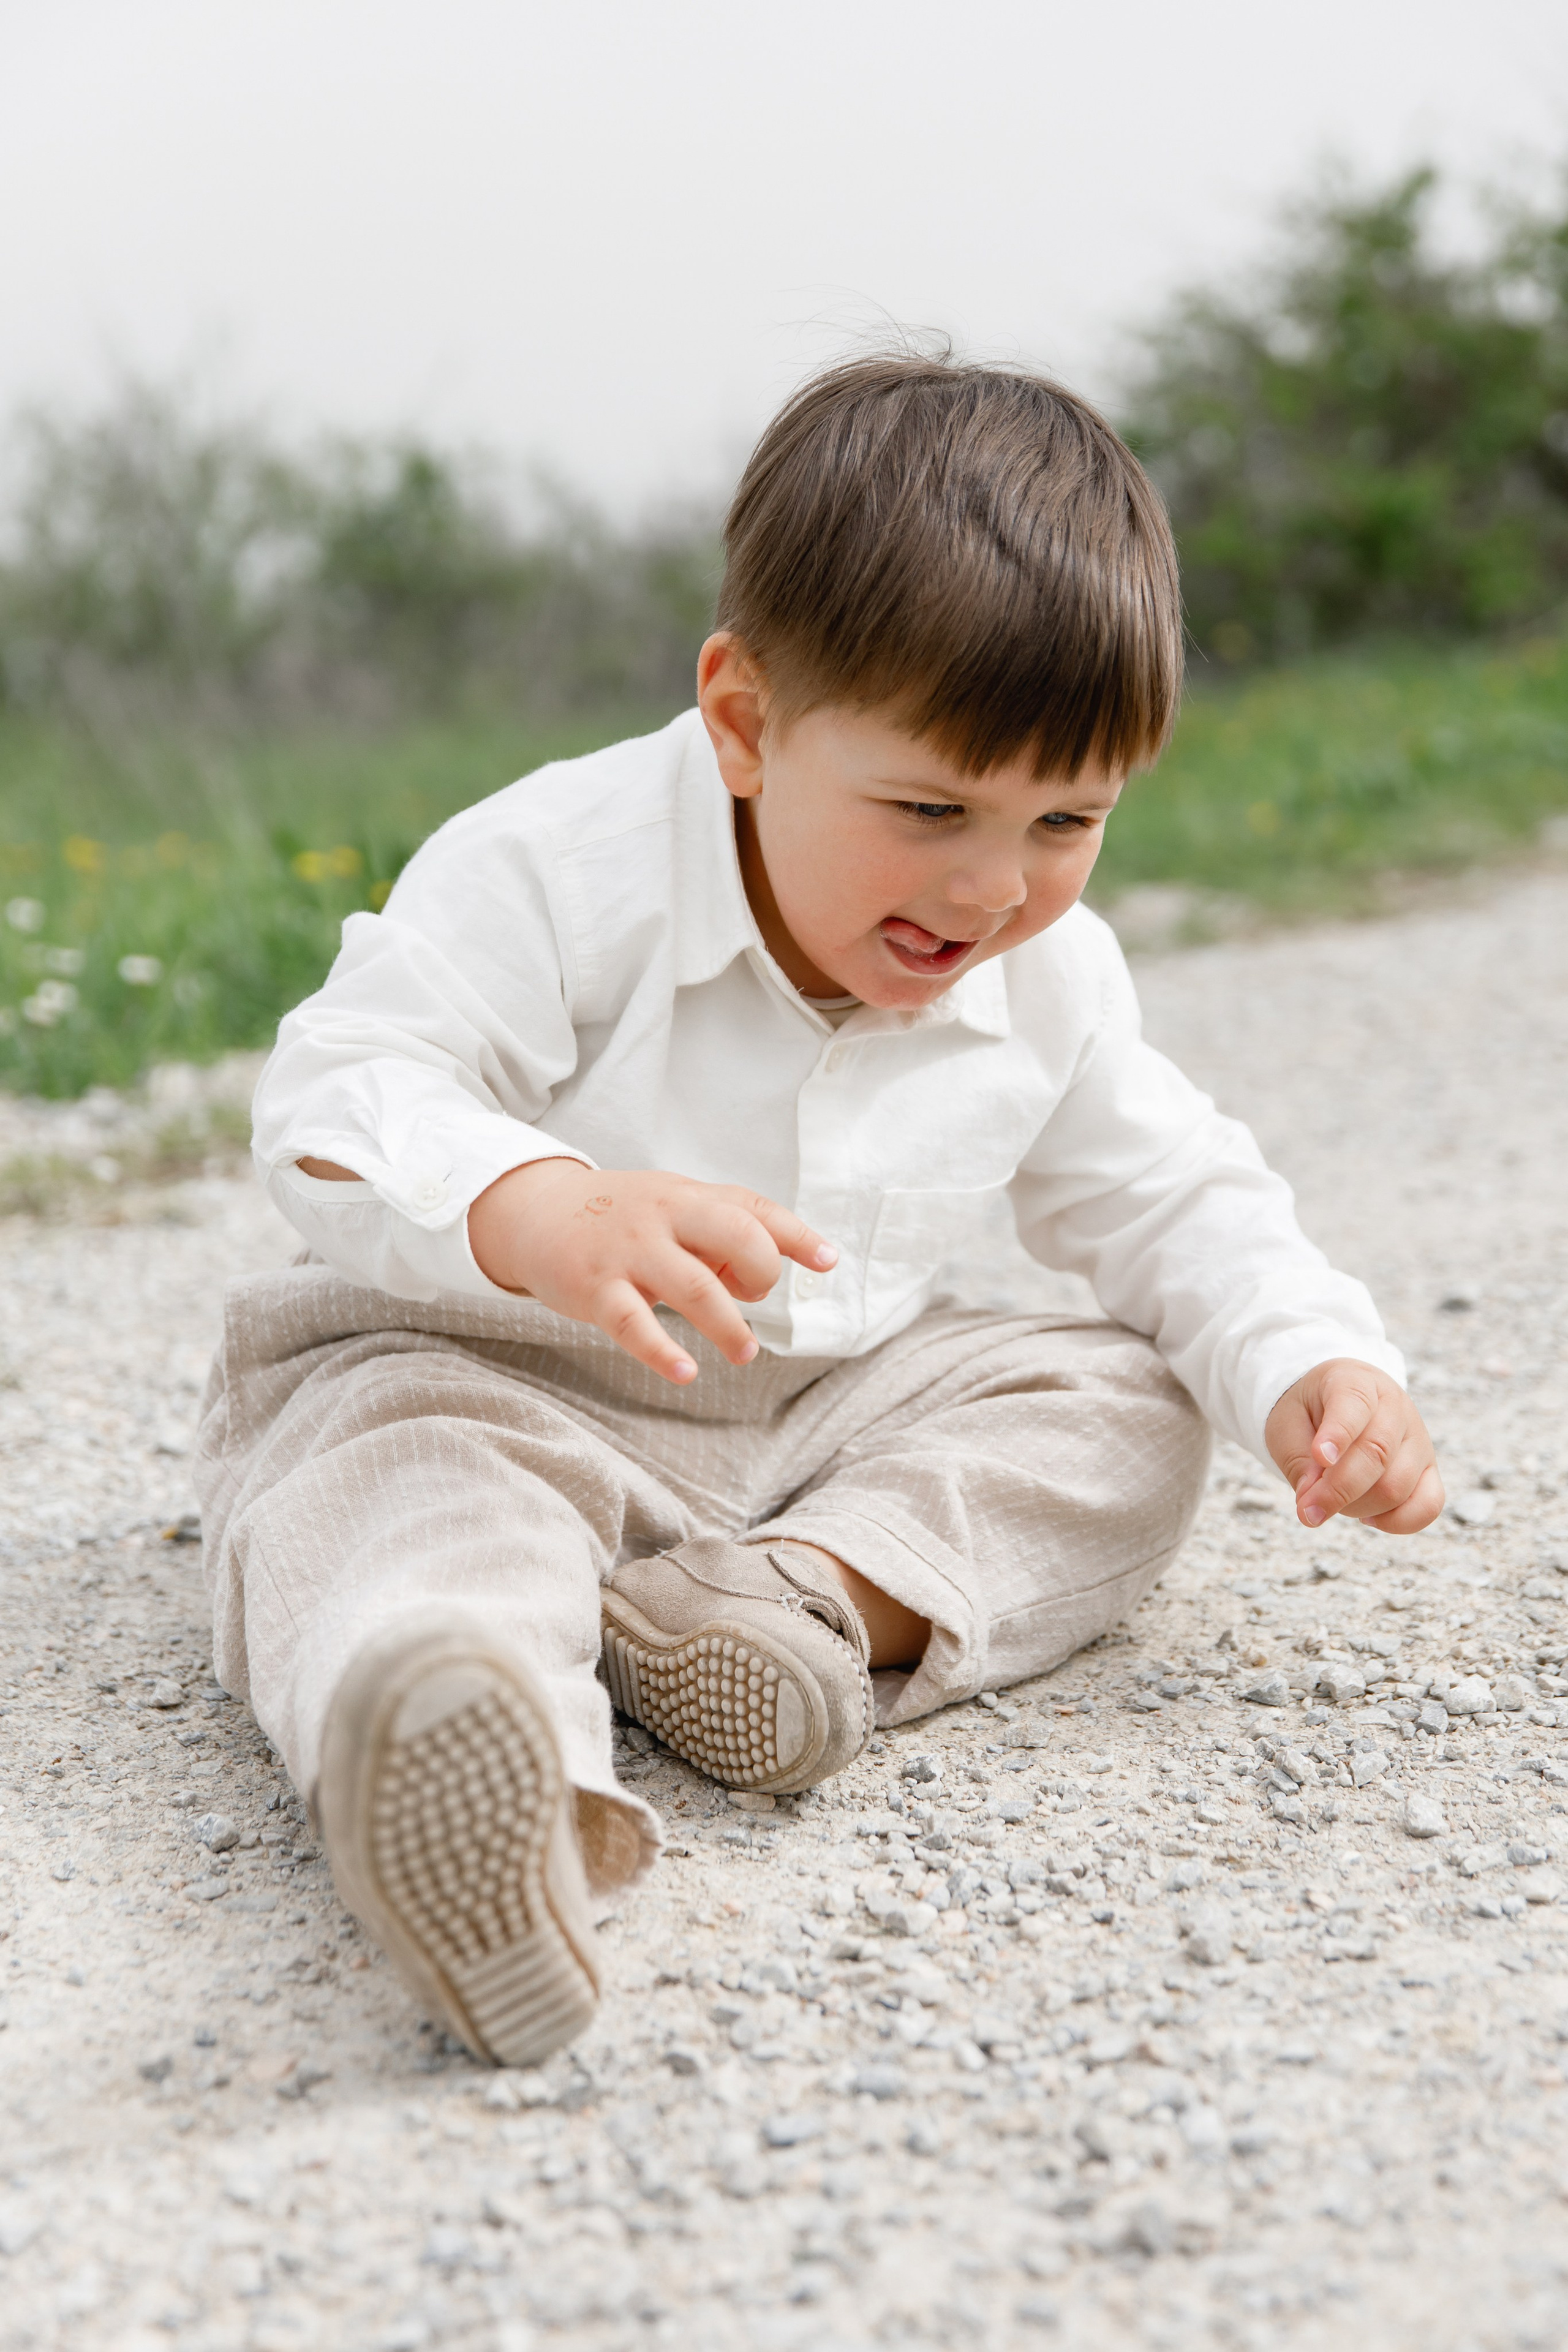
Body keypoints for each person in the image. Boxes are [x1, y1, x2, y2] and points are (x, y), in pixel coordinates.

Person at [197, 352, 1442, 2070]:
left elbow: (1173, 1196)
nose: (988, 886)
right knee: (398, 1499)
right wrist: (539, 1203)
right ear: (745, 717)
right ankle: (496, 1808)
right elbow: (339, 1091)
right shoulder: (565, 868)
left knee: (1128, 1405)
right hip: (492, 1368)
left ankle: (784, 1603)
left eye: (1065, 820)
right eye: (930, 809)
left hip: (809, 1425)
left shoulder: (1048, 972)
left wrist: (1311, 1361)